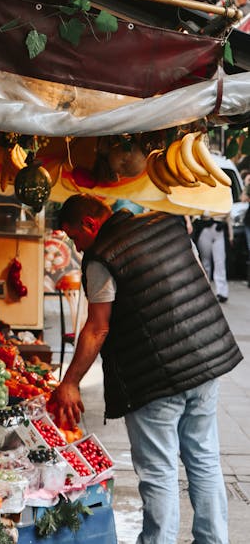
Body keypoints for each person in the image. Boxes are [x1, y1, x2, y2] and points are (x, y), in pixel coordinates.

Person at [48, 193, 242, 544]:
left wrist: (71, 381)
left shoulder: (102, 256)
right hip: (204, 360)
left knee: (159, 472)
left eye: (75, 237)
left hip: (154, 377)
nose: (76, 248)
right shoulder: (168, 225)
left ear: (90, 225)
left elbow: (97, 327)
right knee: (204, 459)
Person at [192, 211, 233, 303]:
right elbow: (196, 214)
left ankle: (222, 292)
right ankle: (205, 290)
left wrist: (231, 234)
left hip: (219, 229)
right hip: (204, 228)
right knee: (205, 263)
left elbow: (228, 216)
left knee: (220, 262)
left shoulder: (223, 198)